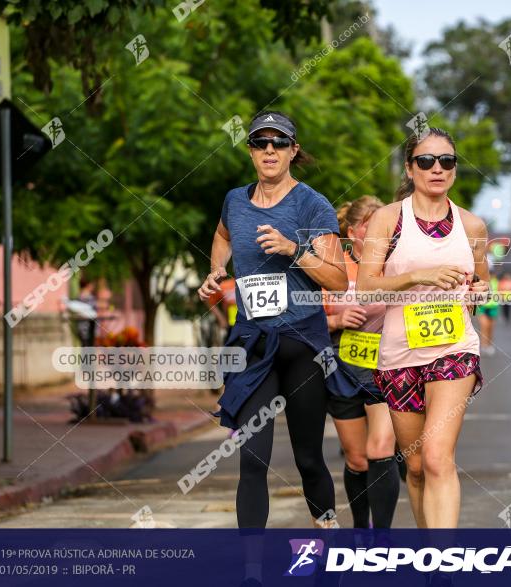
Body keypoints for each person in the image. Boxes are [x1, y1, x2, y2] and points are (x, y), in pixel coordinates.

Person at [198, 111, 348, 587]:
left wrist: (293, 250)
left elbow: (339, 280)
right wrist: (216, 272)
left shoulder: (312, 205)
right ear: (249, 151)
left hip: (303, 343)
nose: (269, 151)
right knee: (252, 458)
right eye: (260, 143)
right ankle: (252, 575)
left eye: (278, 144)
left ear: (293, 150)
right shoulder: (234, 201)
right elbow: (222, 235)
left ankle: (329, 555)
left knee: (308, 459)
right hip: (253, 344)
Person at [357, 128, 489, 529]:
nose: (437, 169)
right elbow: (365, 288)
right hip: (398, 353)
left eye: (447, 161)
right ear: (410, 168)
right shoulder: (388, 219)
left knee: (435, 457)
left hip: (453, 350)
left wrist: (481, 290)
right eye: (426, 161)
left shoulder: (472, 226)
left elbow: (482, 286)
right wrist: (419, 276)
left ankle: (441, 568)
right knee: (414, 466)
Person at [324, 196, 400, 529]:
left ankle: (382, 540)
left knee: (381, 448)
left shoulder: (396, 263)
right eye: (372, 224)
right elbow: (305, 318)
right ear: (353, 231)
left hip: (385, 367)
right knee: (357, 458)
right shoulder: (332, 265)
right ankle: (361, 530)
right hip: (343, 367)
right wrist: (338, 322)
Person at [477, 274, 500, 356]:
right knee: (484, 326)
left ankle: (489, 345)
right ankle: (484, 345)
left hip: (493, 307)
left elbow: (500, 293)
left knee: (490, 327)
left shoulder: (496, 282)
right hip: (483, 308)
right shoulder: (481, 282)